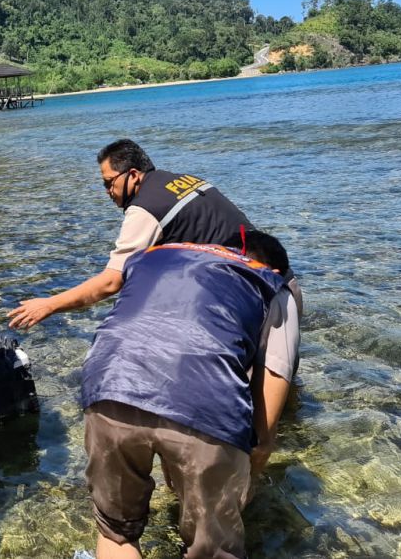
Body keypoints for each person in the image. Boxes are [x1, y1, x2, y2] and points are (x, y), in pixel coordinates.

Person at [79, 231, 299, 559]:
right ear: (279, 272)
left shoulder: (166, 259)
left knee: (117, 533)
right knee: (213, 550)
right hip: (205, 400)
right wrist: (244, 481)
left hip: (107, 384)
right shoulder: (273, 286)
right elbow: (266, 420)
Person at [9, 138, 273, 329]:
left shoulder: (145, 207)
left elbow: (111, 282)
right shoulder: (183, 179)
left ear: (133, 175)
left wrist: (49, 304)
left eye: (109, 183)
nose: (107, 191)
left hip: (251, 297)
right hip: (274, 277)